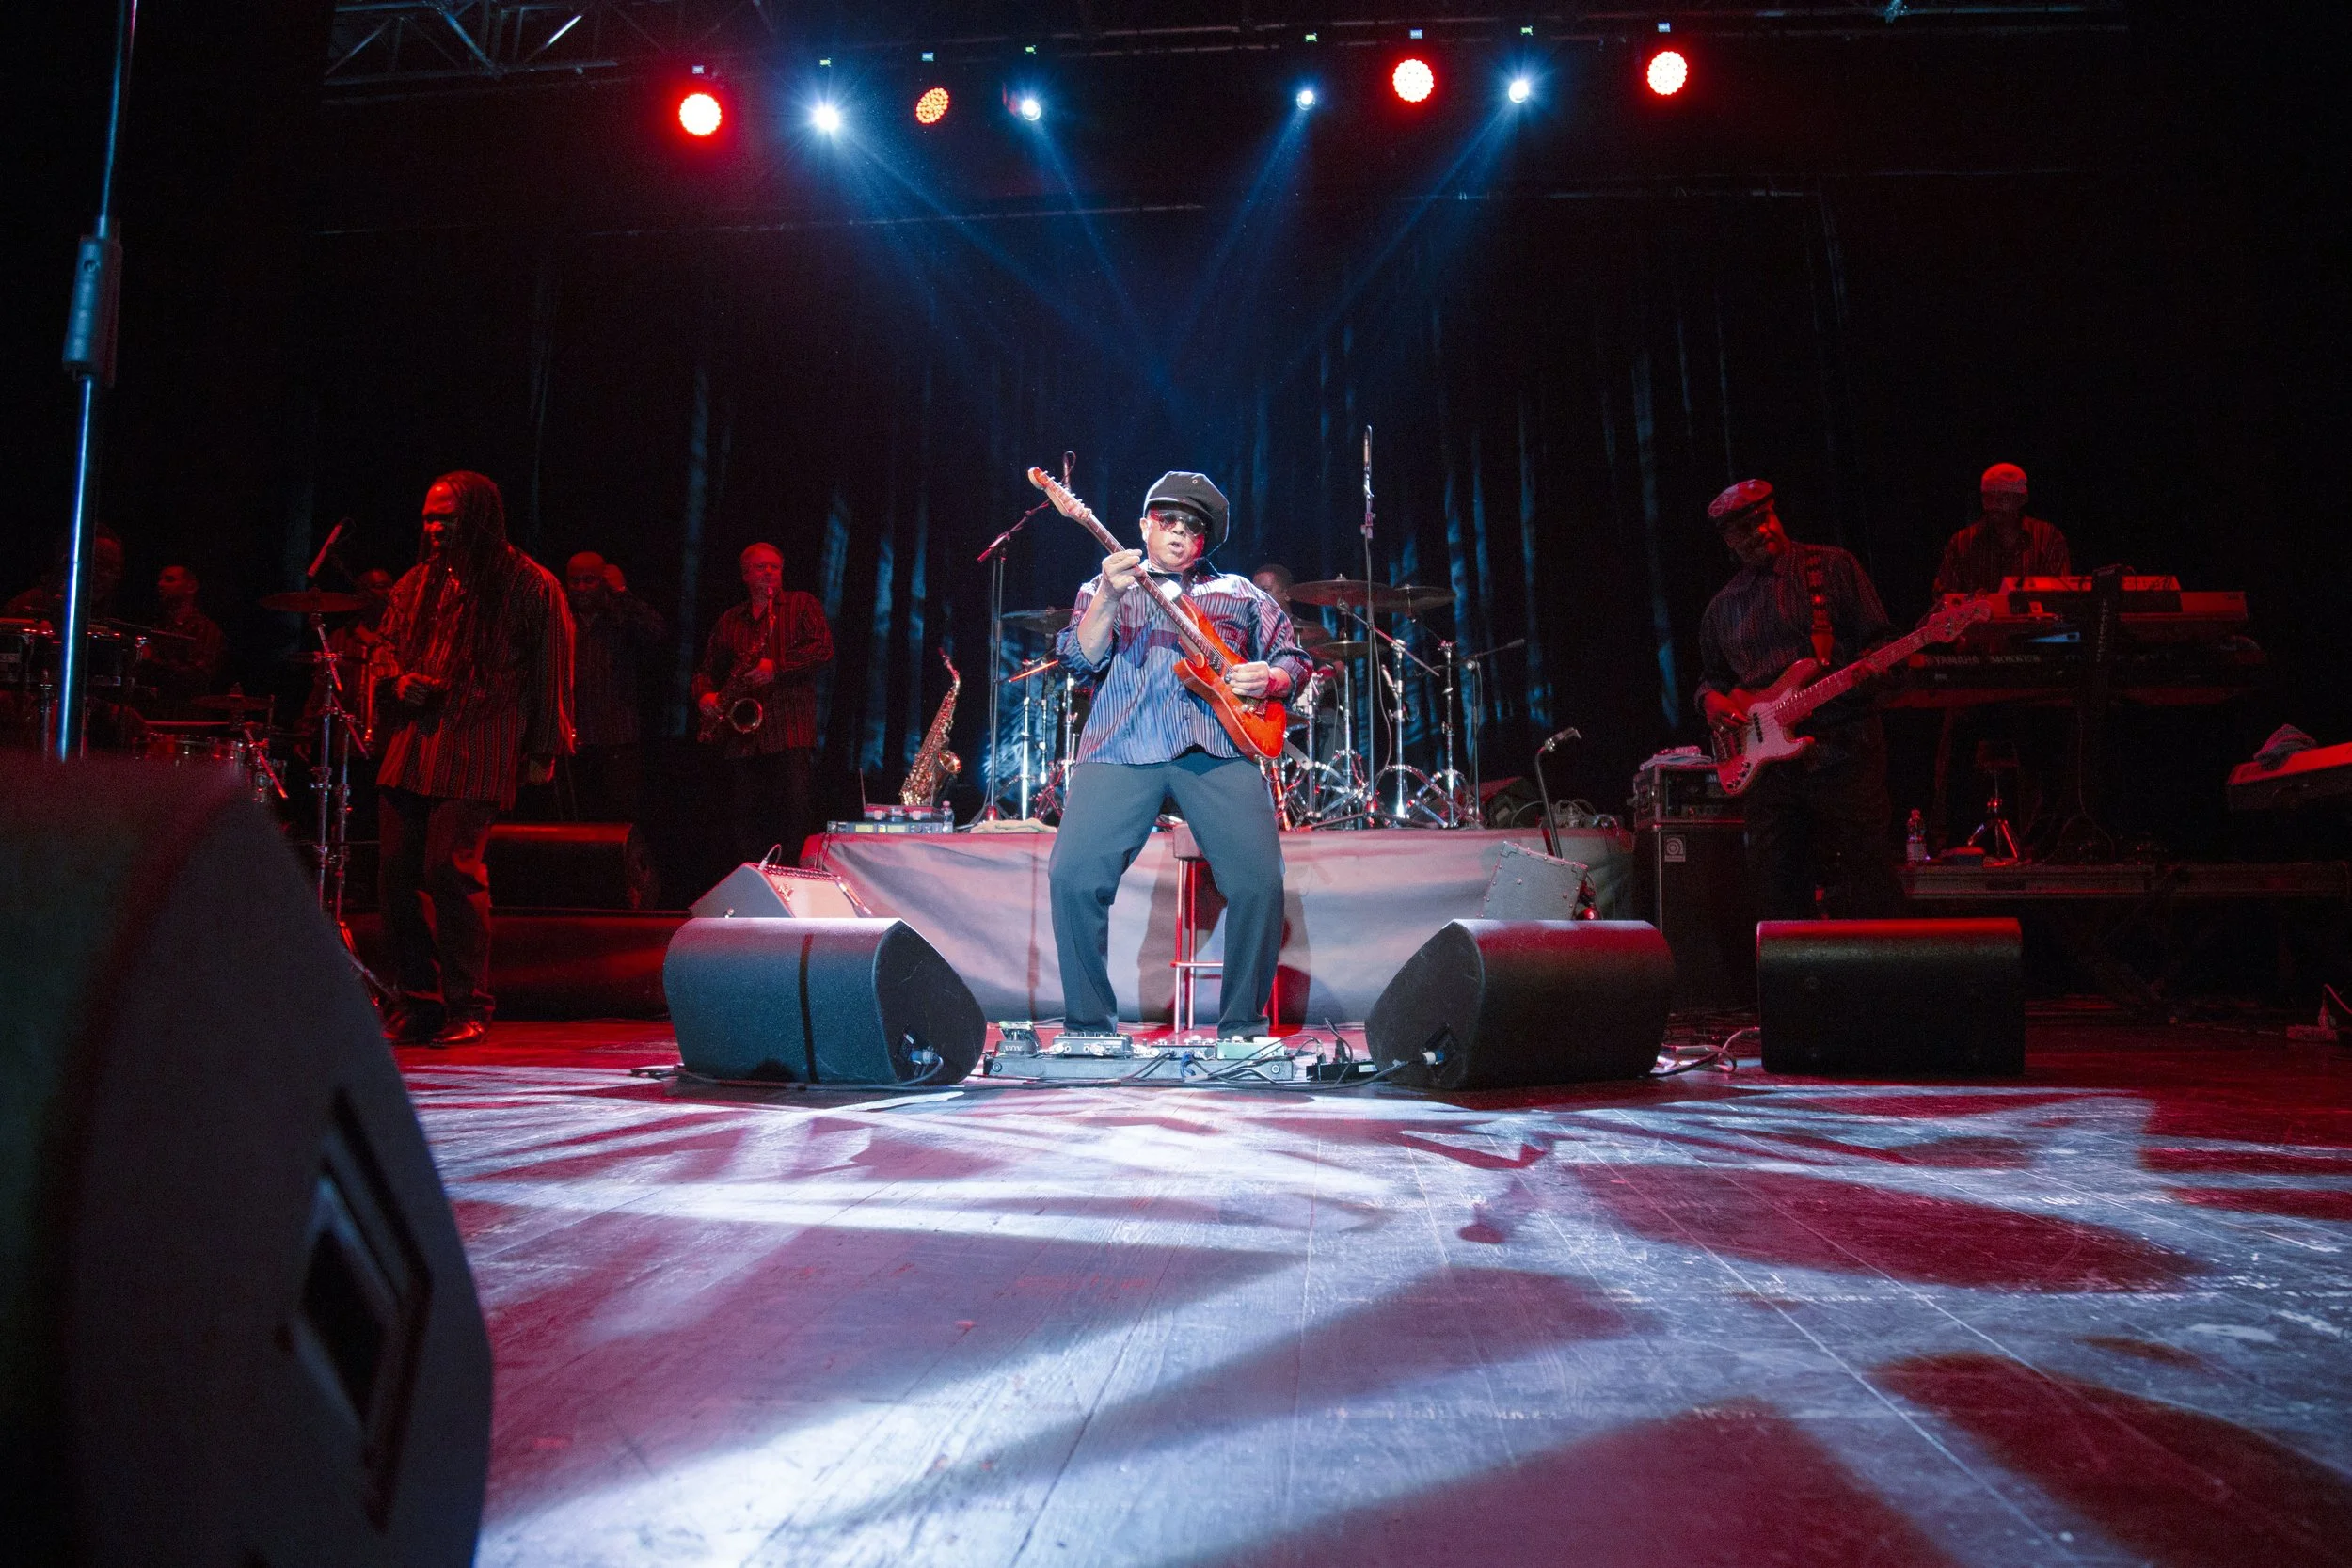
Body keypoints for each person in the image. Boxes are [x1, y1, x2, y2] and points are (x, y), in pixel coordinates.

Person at [1049, 471, 1312, 1043]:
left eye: (1193, 527)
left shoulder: (1240, 593)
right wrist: (1111, 595)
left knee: (1260, 882)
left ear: (1204, 541)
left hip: (1214, 748)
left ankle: (1241, 1030)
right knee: (1072, 878)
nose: (1178, 532)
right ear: (1145, 526)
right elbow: (1079, 659)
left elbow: (1294, 657)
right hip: (1121, 745)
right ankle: (1090, 1030)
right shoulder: (1101, 589)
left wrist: (1269, 677)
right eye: (1167, 520)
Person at [373, 472, 574, 1047]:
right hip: (413, 746)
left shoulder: (529, 585)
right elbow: (384, 645)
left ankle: (468, 1003)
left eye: (447, 518)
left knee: (447, 869)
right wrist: (397, 678)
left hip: (478, 744)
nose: (435, 529)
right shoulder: (418, 583)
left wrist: (544, 750)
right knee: (394, 876)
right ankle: (418, 1001)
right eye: (429, 518)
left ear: (480, 517)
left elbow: (550, 672)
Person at [1695, 479, 1903, 922]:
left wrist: (1872, 667)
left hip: (1842, 749)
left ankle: (1878, 984)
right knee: (1777, 891)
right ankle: (1796, 986)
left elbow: (1881, 641)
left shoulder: (1831, 568)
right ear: (1728, 540)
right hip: (1769, 773)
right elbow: (1711, 679)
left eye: (1764, 520)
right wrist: (1711, 702)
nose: (1760, 533)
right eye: (1744, 530)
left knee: (1866, 882)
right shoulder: (1721, 608)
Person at [695, 542, 833, 866]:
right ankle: (752, 884)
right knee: (742, 820)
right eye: (761, 567)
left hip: (789, 731)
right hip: (742, 738)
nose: (769, 572)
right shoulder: (730, 620)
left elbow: (823, 649)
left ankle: (790, 885)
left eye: (775, 567)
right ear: (744, 575)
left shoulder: (801, 605)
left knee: (794, 816)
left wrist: (778, 667)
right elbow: (705, 669)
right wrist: (705, 695)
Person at [564, 550, 666, 823]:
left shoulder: (620, 617)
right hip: (572, 741)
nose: (582, 588)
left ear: (603, 581)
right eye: (575, 582)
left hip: (617, 739)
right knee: (574, 822)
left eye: (590, 580)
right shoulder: (561, 618)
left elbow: (657, 633)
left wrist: (621, 591)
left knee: (618, 823)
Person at [1933, 462, 2071, 596]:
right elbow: (1943, 596)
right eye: (1988, 496)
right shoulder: (1962, 541)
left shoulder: (2048, 537)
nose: (1994, 503)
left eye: (2003, 497)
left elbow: (2061, 596)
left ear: (2022, 499)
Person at [142, 563, 228, 716]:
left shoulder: (205, 629)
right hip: (154, 711)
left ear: (191, 587)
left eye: (169, 580)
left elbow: (198, 677)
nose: (160, 584)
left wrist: (152, 659)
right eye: (160, 579)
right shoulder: (159, 625)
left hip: (186, 714)